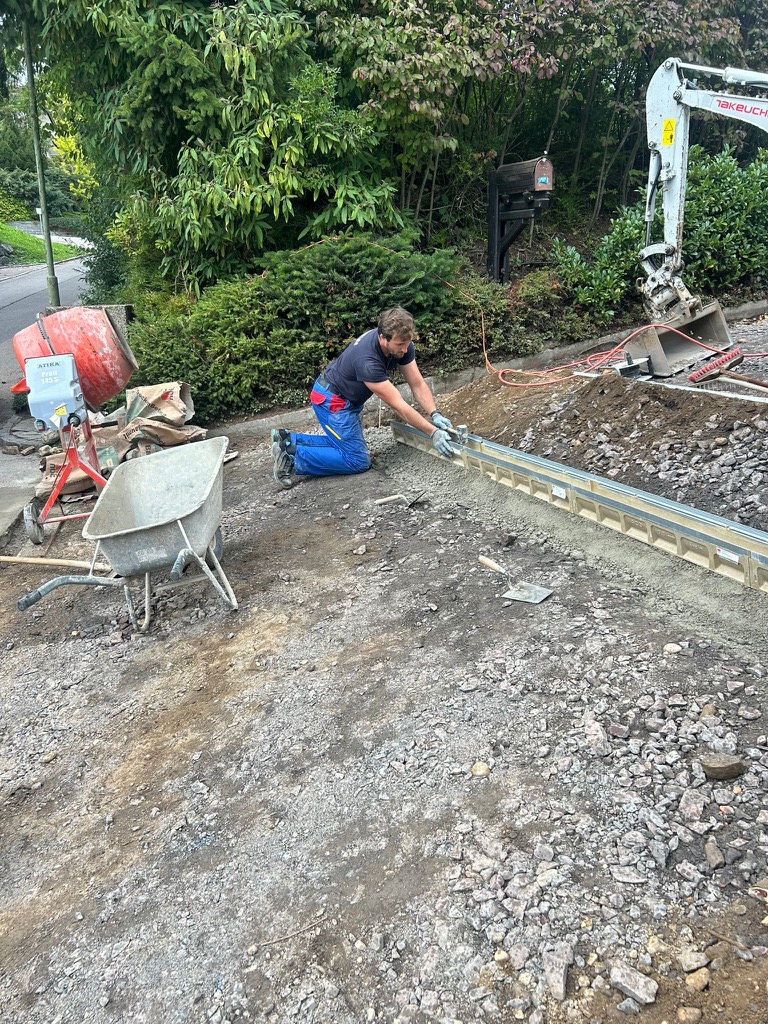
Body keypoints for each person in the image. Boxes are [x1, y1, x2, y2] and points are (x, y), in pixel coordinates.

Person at [270, 306, 455, 488]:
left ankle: (287, 440)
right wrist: (433, 432)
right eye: (400, 344)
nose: (405, 349)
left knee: (345, 445)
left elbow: (417, 384)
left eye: (408, 343)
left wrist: (435, 413)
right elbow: (399, 405)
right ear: (383, 338)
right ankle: (293, 454)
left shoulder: (400, 342)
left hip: (342, 397)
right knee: (357, 461)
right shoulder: (367, 361)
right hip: (332, 401)